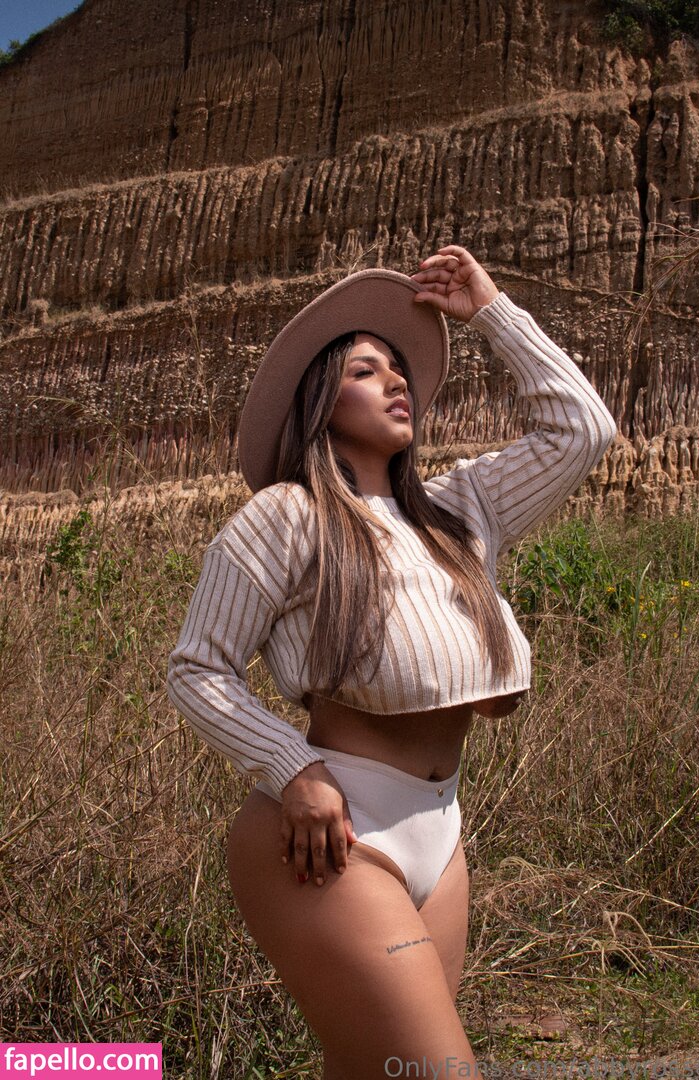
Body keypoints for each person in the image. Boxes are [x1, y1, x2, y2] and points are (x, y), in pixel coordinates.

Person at [167, 246, 616, 1079]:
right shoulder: (287, 515)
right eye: (365, 371)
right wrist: (292, 770)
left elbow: (581, 430)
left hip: (439, 829)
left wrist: (490, 311)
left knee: (374, 1070)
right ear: (319, 402)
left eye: (399, 369)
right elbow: (197, 668)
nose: (396, 381)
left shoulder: (460, 510)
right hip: (333, 828)